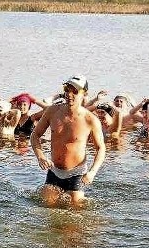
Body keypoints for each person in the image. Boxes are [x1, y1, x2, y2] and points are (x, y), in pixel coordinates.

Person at [31, 75, 106, 207]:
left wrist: (92, 172)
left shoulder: (90, 119)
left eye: (75, 91)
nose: (69, 94)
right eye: (67, 89)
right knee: (47, 207)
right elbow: (35, 135)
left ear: (84, 94)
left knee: (74, 213)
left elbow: (101, 148)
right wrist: (40, 157)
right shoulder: (52, 111)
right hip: (54, 171)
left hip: (76, 173)